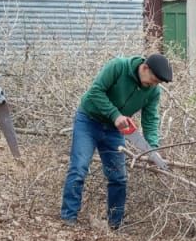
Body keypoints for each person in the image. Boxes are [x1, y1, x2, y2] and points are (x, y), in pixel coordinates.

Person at [60, 52, 172, 229]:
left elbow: (150, 119)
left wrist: (152, 148)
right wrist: (115, 115)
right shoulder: (118, 66)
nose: (154, 85)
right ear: (144, 68)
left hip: (115, 129)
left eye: (157, 83)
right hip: (89, 121)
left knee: (118, 177)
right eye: (153, 80)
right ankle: (68, 217)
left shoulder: (153, 91)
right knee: (79, 167)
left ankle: (115, 223)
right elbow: (95, 91)